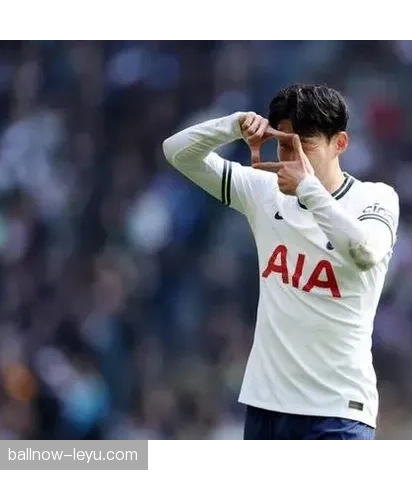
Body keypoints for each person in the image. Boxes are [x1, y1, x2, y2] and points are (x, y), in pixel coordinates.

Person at [162, 84, 399, 440]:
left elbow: (365, 252)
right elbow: (177, 152)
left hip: (337, 408)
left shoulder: (375, 198)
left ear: (340, 143)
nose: (292, 159)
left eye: (306, 146)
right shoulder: (264, 193)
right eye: (285, 144)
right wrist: (233, 125)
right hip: (267, 405)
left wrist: (308, 188)